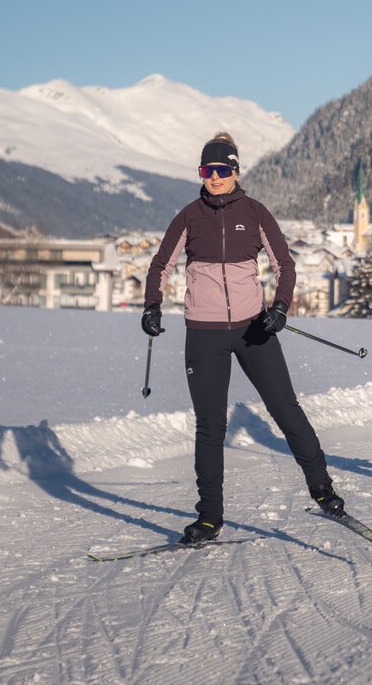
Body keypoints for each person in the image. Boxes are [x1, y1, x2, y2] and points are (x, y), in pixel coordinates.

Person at [143, 132, 345, 543]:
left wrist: (281, 307)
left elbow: (284, 264)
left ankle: (323, 488)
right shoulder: (188, 217)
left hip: (254, 328)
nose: (214, 177)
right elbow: (160, 265)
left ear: (235, 171)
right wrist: (152, 305)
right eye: (207, 170)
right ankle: (209, 517)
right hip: (204, 334)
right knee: (210, 426)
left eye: (221, 170)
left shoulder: (255, 213)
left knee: (286, 410)